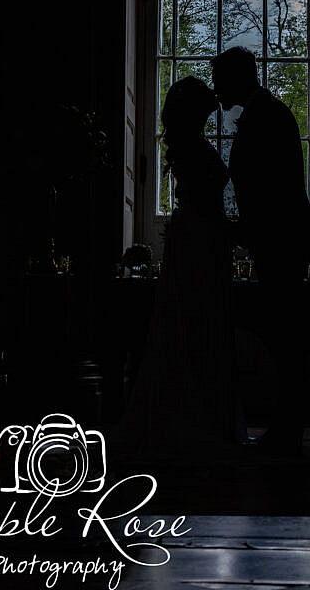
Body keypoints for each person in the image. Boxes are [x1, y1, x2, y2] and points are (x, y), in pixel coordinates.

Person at [115, 76, 238, 461]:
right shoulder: (194, 151)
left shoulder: (188, 147)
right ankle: (193, 418)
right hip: (199, 240)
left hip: (196, 238)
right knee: (194, 323)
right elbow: (206, 202)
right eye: (205, 109)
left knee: (190, 323)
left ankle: (191, 415)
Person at [211, 46, 310, 457]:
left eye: (220, 79)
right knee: (281, 334)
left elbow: (273, 189)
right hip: (277, 239)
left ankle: (289, 430)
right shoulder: (265, 113)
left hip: (281, 241)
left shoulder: (267, 116)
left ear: (237, 78)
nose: (216, 88)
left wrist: (241, 229)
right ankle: (287, 427)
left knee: (284, 335)